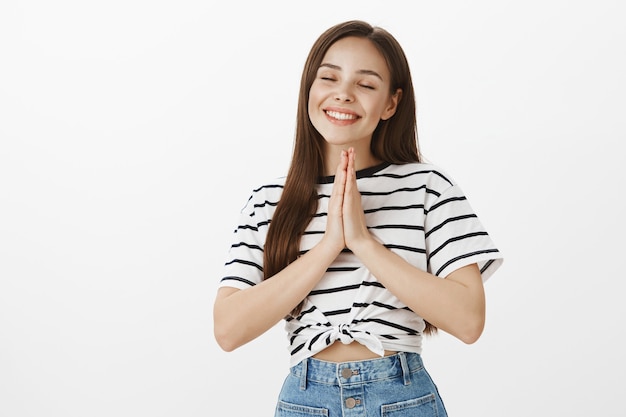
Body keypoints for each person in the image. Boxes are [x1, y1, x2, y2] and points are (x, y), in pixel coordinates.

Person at [213, 19, 503, 417]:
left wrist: (364, 242)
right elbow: (228, 330)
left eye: (365, 85)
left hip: (402, 398)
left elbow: (469, 321)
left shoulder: (427, 187)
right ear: (309, 90)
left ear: (391, 103)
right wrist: (330, 244)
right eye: (329, 78)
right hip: (306, 401)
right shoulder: (269, 201)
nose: (343, 94)